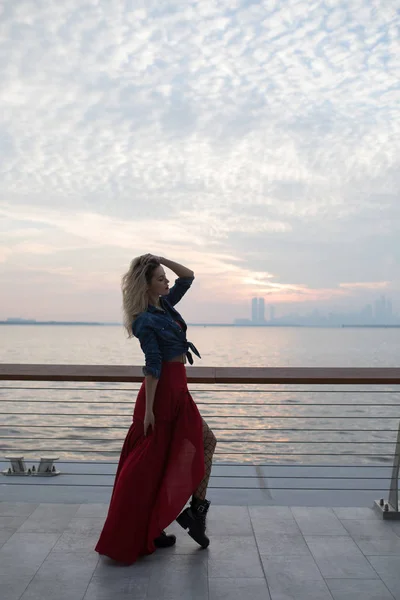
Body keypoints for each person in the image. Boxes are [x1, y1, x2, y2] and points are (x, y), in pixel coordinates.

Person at [95, 254, 217, 564]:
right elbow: (152, 367)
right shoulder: (144, 319)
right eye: (160, 277)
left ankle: (190, 514)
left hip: (179, 390)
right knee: (153, 463)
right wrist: (148, 411)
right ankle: (169, 522)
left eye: (165, 277)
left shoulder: (166, 304)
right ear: (147, 285)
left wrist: (160, 257)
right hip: (161, 395)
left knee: (201, 443)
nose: (166, 281)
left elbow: (187, 276)